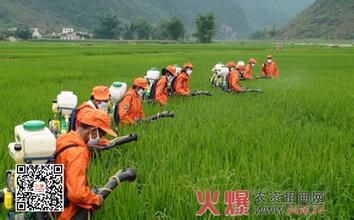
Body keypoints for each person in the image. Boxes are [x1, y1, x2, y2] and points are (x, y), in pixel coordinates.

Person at [55, 109, 117, 219]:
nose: (100, 139)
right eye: (101, 135)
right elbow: (76, 194)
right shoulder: (77, 152)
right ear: (93, 131)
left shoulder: (65, 138)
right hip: (62, 212)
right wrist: (96, 200)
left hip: (53, 202)